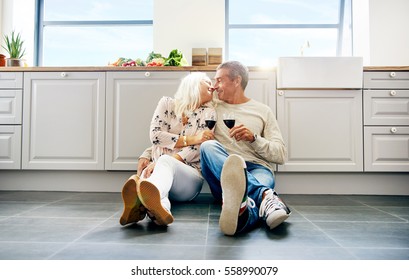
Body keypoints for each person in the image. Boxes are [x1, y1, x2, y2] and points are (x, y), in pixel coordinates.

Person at [200, 61, 291, 236]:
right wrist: (149, 153)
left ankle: (242, 213)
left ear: (236, 81)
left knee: (250, 198)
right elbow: (176, 124)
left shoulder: (262, 111)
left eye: (219, 80)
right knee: (207, 146)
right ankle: (266, 197)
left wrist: (254, 139)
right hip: (223, 171)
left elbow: (280, 154)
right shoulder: (210, 108)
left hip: (257, 168)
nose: (214, 85)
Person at [120, 72, 216, 226]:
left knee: (159, 166)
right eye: (207, 82)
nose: (213, 86)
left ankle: (139, 200)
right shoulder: (167, 104)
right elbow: (156, 136)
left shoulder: (209, 114)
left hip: (189, 179)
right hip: (159, 171)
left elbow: (198, 148)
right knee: (155, 181)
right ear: (193, 84)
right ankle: (159, 210)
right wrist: (192, 138)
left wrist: (159, 161)